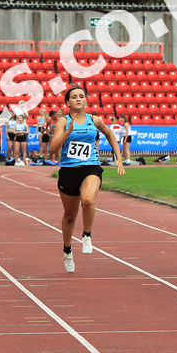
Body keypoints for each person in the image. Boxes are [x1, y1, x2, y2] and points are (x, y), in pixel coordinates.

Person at [51, 86, 125, 273]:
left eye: (81, 96)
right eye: (74, 97)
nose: (78, 99)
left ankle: (87, 235)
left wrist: (119, 157)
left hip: (91, 168)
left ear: (86, 100)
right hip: (68, 171)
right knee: (69, 215)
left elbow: (109, 134)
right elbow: (52, 149)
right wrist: (67, 132)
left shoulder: (95, 120)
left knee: (87, 200)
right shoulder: (63, 121)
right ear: (67, 102)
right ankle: (67, 250)